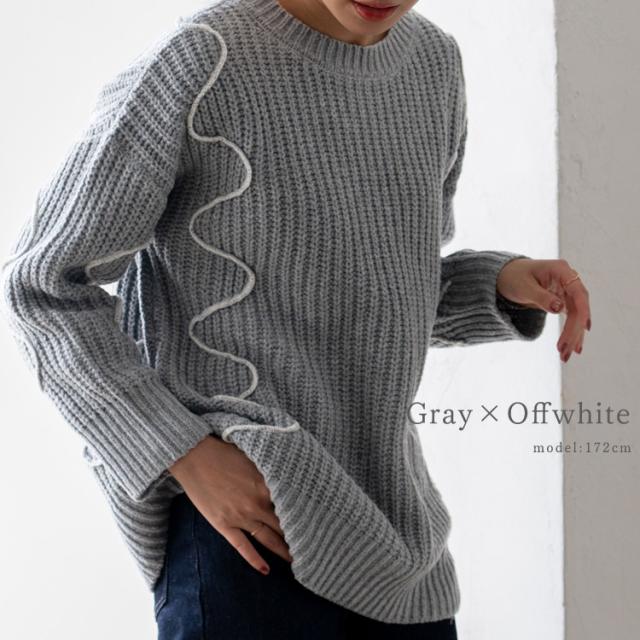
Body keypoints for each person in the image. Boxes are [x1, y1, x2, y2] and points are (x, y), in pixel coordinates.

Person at [1, 0, 590, 637]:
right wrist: (182, 452)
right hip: (246, 527)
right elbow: (41, 284)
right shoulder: (205, 59)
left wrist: (499, 284)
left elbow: (374, 294)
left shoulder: (433, 64)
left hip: (393, 538)